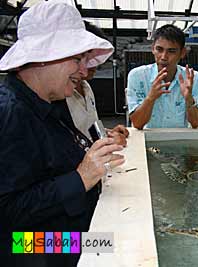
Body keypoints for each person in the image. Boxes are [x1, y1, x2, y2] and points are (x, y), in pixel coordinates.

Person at [0, 2, 124, 266]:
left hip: (61, 231)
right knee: (121, 244)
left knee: (122, 238)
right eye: (77, 59)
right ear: (44, 56)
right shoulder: (11, 115)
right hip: (33, 246)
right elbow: (8, 215)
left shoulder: (49, 102)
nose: (84, 70)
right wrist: (81, 177)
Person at [126, 24, 198, 129]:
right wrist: (150, 98)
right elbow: (137, 124)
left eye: (171, 51)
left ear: (182, 53)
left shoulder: (194, 79)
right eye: (159, 49)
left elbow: (197, 123)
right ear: (152, 49)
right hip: (146, 140)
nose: (164, 57)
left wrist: (189, 99)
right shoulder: (137, 76)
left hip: (178, 141)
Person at [66, 21, 129, 146]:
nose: (93, 65)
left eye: (97, 59)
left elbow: (87, 131)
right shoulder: (61, 93)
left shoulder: (86, 87)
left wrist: (107, 133)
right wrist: (109, 142)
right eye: (84, 58)